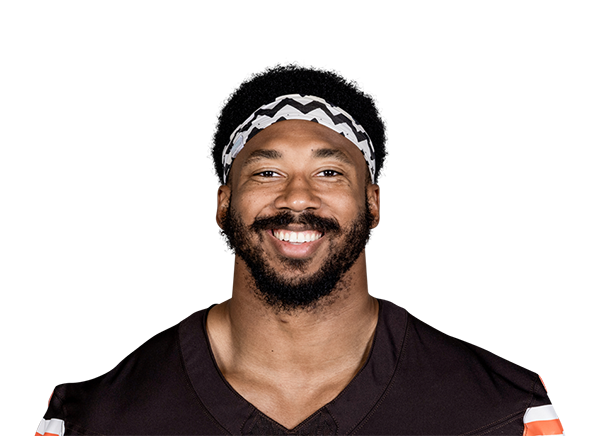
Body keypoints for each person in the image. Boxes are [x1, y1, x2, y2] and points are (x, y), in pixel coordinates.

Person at [36, 62, 563, 436]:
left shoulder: (505, 415)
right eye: (267, 172)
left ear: (372, 202)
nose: (297, 198)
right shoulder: (96, 419)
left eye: (329, 172)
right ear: (224, 203)